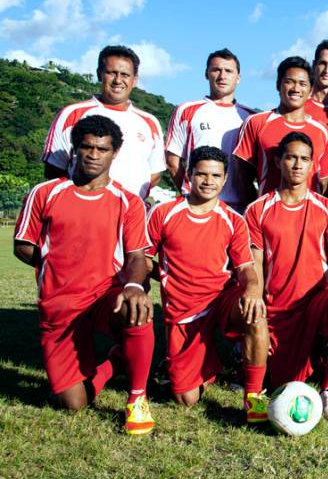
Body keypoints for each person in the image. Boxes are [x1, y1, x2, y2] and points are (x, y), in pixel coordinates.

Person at [15, 115, 156, 434]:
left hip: (104, 295)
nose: (93, 154)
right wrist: (54, 265)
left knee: (138, 309)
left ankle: (137, 399)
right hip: (60, 303)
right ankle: (117, 361)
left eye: (102, 149)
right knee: (74, 403)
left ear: (114, 153)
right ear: (75, 150)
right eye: (86, 147)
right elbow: (23, 245)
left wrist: (134, 286)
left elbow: (136, 255)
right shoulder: (45, 193)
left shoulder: (128, 202)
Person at [146, 146, 270, 419]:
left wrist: (252, 290)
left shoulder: (233, 220)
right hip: (183, 308)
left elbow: (247, 267)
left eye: (215, 175)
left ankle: (254, 399)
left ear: (225, 179)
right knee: (186, 399)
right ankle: (191, 365)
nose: (208, 181)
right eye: (201, 174)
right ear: (189, 174)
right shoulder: (163, 213)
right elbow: (142, 259)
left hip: (220, 300)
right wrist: (166, 274)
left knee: (256, 313)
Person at [245, 132, 328, 419]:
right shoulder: (258, 209)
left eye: (305, 159)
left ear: (313, 165)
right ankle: (266, 380)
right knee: (284, 381)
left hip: (314, 301)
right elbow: (254, 264)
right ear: (278, 161)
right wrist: (257, 303)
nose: (298, 164)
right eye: (291, 157)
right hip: (277, 308)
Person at [42, 45, 165, 199]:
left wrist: (129, 201)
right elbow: (54, 169)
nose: (118, 80)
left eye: (125, 74)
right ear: (99, 74)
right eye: (111, 73)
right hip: (82, 212)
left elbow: (154, 174)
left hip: (131, 216)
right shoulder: (72, 114)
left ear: (135, 80)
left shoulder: (150, 122)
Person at [165, 49, 256, 213]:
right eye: (216, 70)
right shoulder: (186, 111)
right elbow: (172, 160)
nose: (222, 76)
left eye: (228, 71)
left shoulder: (251, 118)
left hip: (237, 208)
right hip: (196, 206)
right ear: (207, 74)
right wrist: (191, 193)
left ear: (238, 78)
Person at [234, 56, 328, 198]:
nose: (296, 89)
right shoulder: (256, 123)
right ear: (278, 85)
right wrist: (257, 210)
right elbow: (243, 178)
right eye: (289, 82)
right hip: (267, 215)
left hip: (310, 217)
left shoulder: (324, 132)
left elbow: (323, 182)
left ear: (311, 89)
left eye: (302, 84)